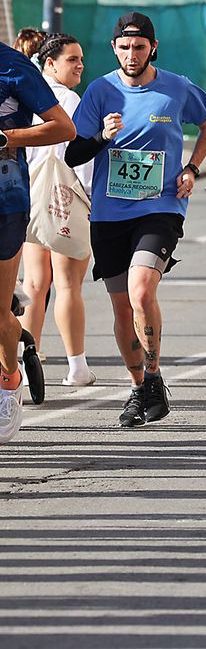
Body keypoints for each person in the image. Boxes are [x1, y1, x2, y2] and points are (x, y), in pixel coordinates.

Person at [64, 13, 206, 428]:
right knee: (120, 306)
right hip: (110, 213)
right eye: (125, 47)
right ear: (115, 49)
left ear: (152, 48)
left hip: (161, 207)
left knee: (141, 288)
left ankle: (153, 376)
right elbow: (73, 154)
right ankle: (140, 388)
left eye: (140, 46)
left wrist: (192, 167)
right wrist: (101, 138)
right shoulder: (100, 91)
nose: (132, 54)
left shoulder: (177, 87)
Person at [0, 41, 77, 443]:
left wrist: (6, 138)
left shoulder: (12, 66)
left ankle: (9, 379)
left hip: (4, 201)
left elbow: (64, 127)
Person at [19, 32, 96, 387]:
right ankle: (76, 366)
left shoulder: (26, 96)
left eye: (81, 59)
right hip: (65, 197)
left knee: (34, 284)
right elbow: (79, 158)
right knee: (67, 285)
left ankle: (22, 360)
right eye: (72, 59)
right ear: (50, 63)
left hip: (32, 197)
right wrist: (92, 199)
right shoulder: (68, 100)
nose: (79, 65)